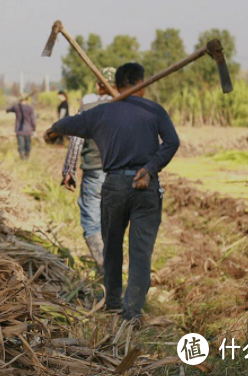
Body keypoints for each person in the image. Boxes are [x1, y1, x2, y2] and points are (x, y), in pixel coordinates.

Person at [45, 63, 180, 322]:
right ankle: (132, 311)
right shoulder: (154, 110)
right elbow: (172, 142)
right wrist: (150, 168)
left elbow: (67, 124)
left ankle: (114, 302)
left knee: (113, 247)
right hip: (145, 186)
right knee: (141, 252)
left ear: (116, 85)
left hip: (114, 186)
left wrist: (53, 129)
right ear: (142, 82)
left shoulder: (101, 113)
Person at [61, 67, 116, 275]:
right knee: (113, 218)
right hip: (121, 174)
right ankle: (113, 264)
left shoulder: (88, 108)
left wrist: (69, 171)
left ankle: (103, 264)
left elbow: (76, 140)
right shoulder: (129, 108)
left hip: (95, 171)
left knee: (91, 217)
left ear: (97, 86)